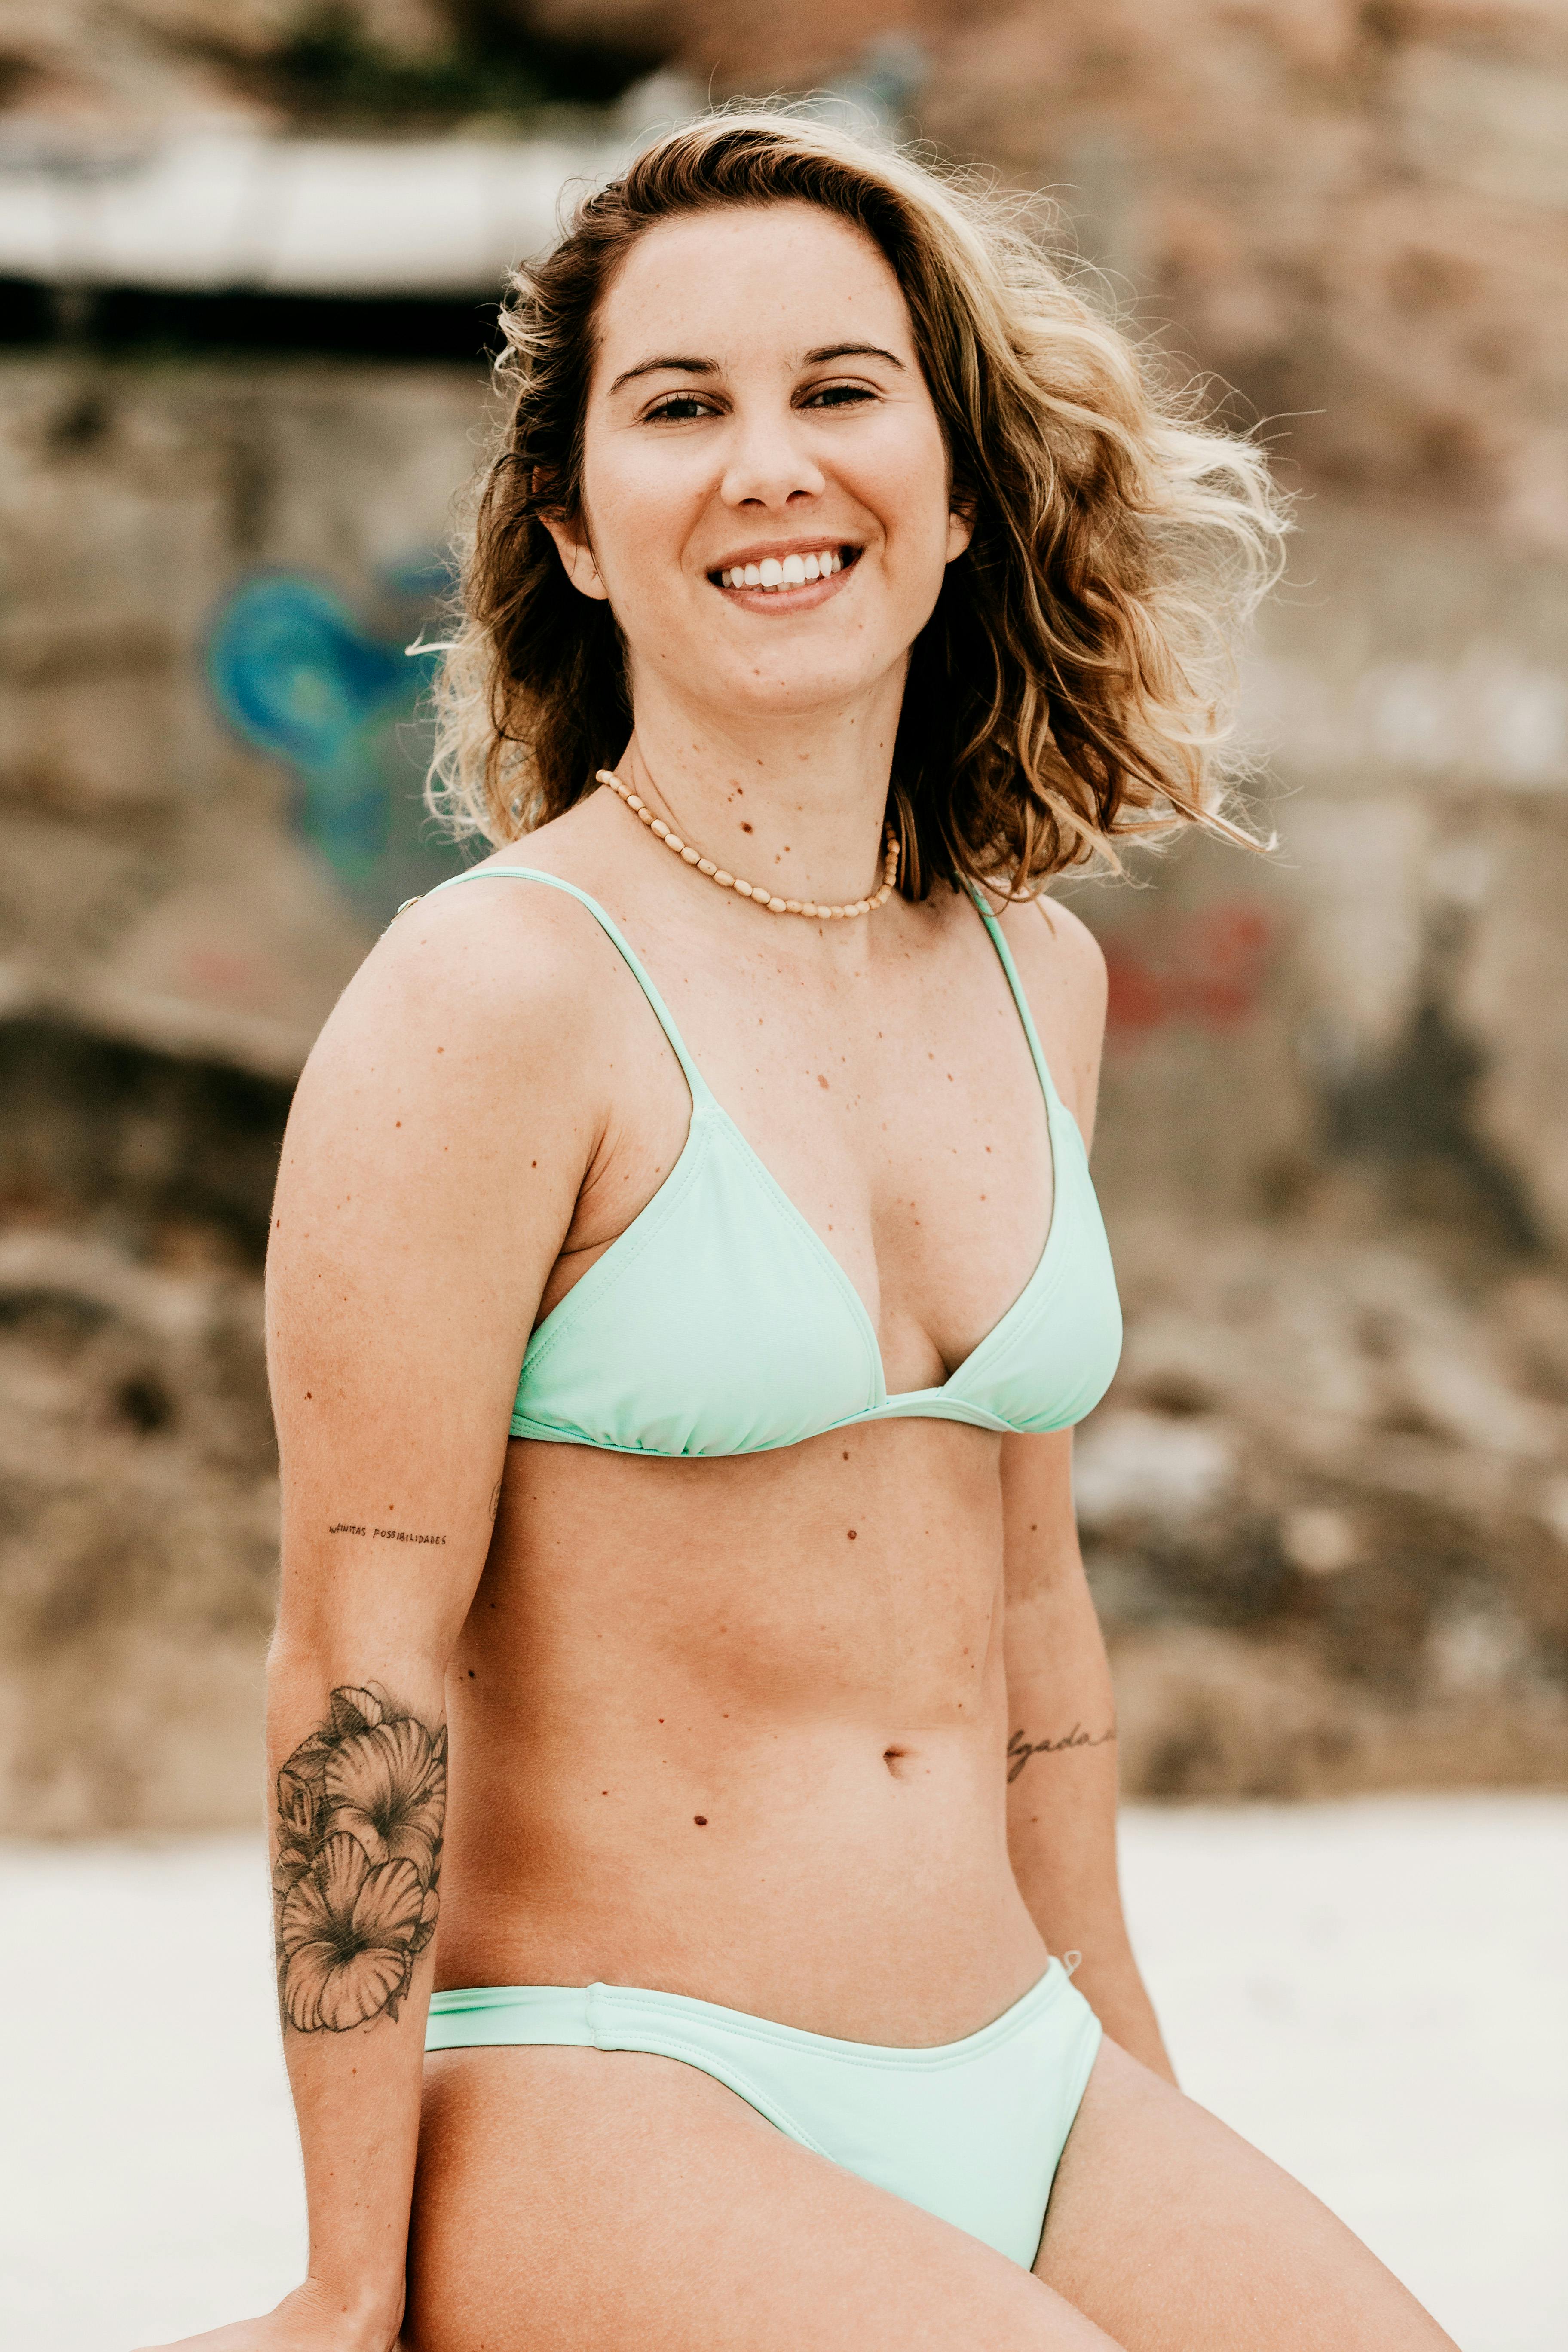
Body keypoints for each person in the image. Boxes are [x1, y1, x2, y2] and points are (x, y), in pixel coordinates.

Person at [150, 112, 1460, 2352]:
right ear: (572, 524)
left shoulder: (1037, 981)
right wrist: (349, 2275)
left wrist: (1127, 2109)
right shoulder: (497, 996)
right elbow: (356, 1672)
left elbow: (1035, 1647)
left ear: (957, 495)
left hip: (1011, 2060)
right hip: (614, 2092)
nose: (770, 464)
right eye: (682, 408)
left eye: (841, 390)